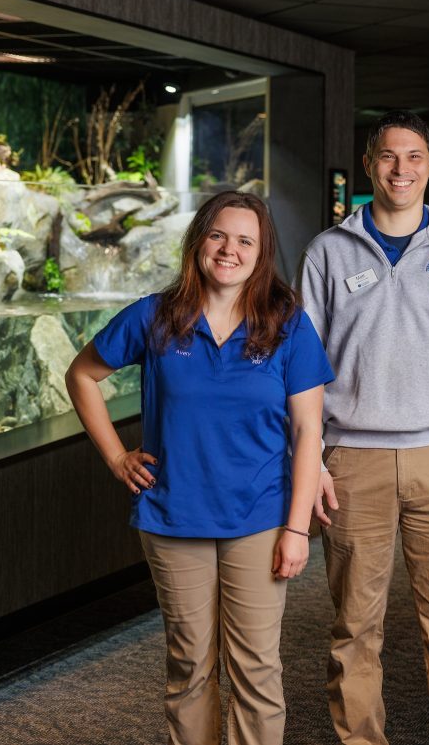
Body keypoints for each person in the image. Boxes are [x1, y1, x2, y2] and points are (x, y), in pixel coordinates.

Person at [65, 191, 334, 745]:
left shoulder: (287, 324)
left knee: (256, 669)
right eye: (218, 235)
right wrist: (117, 456)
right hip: (173, 517)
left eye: (245, 241)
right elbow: (82, 375)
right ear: (198, 241)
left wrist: (298, 527)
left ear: (262, 253)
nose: (229, 250)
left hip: (259, 518)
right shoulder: (155, 316)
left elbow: (310, 432)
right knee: (190, 667)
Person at [298, 110, 429, 745]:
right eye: (388, 157)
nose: (401, 169)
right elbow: (303, 366)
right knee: (354, 628)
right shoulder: (328, 251)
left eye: (414, 157)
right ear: (369, 165)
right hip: (351, 459)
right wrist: (310, 467)